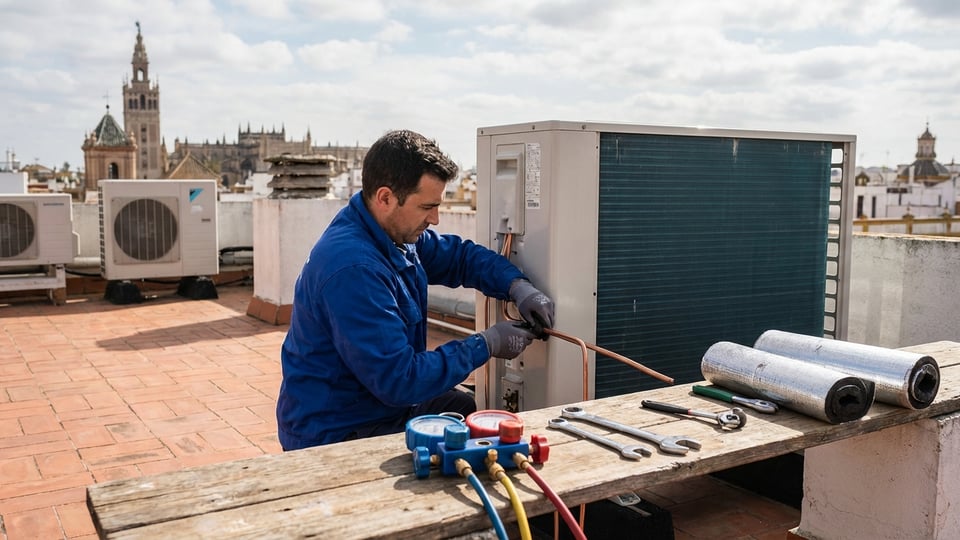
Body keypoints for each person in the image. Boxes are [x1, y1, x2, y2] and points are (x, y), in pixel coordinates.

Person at [276, 129, 555, 450]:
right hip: (338, 429)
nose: (435, 218)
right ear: (385, 197)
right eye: (427, 207)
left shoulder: (387, 233)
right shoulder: (354, 269)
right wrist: (486, 344)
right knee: (460, 439)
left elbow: (459, 258)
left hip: (370, 405)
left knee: (462, 406)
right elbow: (400, 380)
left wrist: (515, 284)